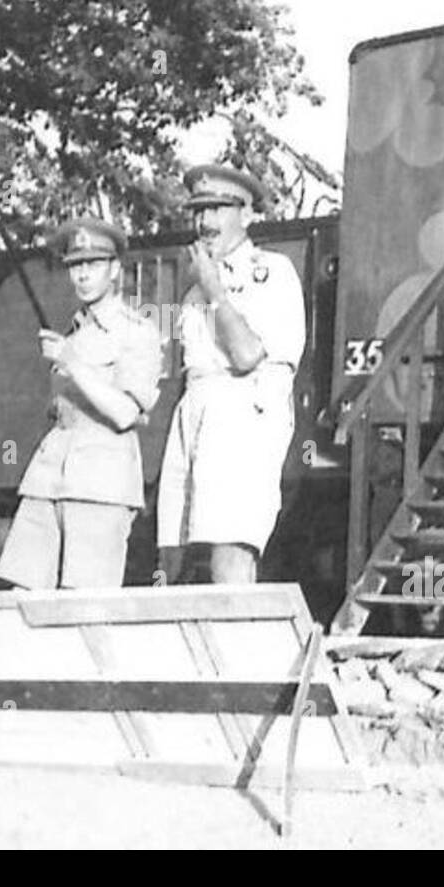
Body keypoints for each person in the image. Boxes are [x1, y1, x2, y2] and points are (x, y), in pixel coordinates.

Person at [157, 164, 306, 584]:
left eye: (219, 209)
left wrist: (215, 291)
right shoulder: (194, 289)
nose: (206, 222)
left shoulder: (271, 272)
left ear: (247, 214)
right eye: (199, 211)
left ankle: (238, 643)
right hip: (195, 408)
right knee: (173, 551)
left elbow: (245, 354)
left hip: (243, 409)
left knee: (230, 543)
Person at [0, 216, 162, 589]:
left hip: (100, 484)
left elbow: (124, 413)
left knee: (83, 604)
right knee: (24, 596)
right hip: (48, 476)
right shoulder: (75, 330)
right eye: (75, 265)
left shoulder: (137, 331)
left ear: (115, 269)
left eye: (93, 264)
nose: (82, 275)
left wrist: (72, 361)